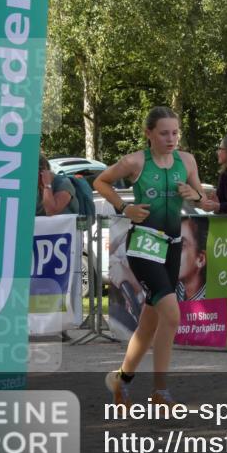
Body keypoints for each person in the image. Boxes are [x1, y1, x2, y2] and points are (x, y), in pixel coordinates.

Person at [93, 106, 205, 407]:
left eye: (175, 133)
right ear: (149, 134)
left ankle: (121, 379)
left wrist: (194, 196)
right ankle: (160, 391)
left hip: (172, 245)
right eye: (164, 133)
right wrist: (122, 207)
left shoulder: (187, 161)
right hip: (144, 245)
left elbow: (205, 200)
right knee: (171, 314)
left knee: (149, 323)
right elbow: (100, 181)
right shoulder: (135, 161)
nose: (171, 139)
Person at [177, 217, 208, 301]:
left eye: (181, 246)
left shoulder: (213, 298)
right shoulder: (174, 289)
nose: (172, 252)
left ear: (200, 259)